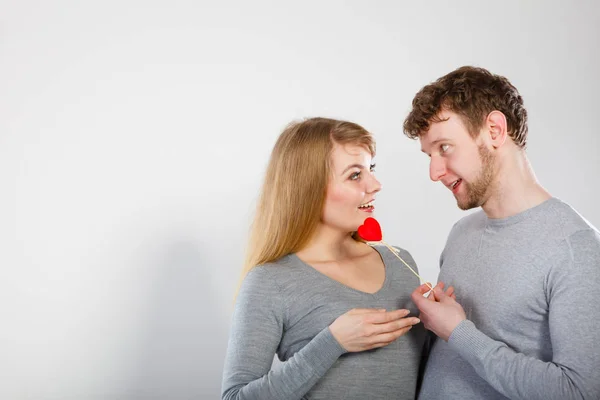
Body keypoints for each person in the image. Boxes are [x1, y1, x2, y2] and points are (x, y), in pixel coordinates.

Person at [403, 66, 600, 399]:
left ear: (494, 129)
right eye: (429, 155)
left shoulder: (575, 247)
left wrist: (459, 333)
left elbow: (579, 391)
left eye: (445, 148)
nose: (435, 171)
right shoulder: (461, 233)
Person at [222, 117, 430, 400]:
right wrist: (332, 342)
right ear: (309, 188)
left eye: (371, 169)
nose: (376, 184)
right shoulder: (270, 282)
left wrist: (449, 330)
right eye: (355, 175)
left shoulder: (400, 262)